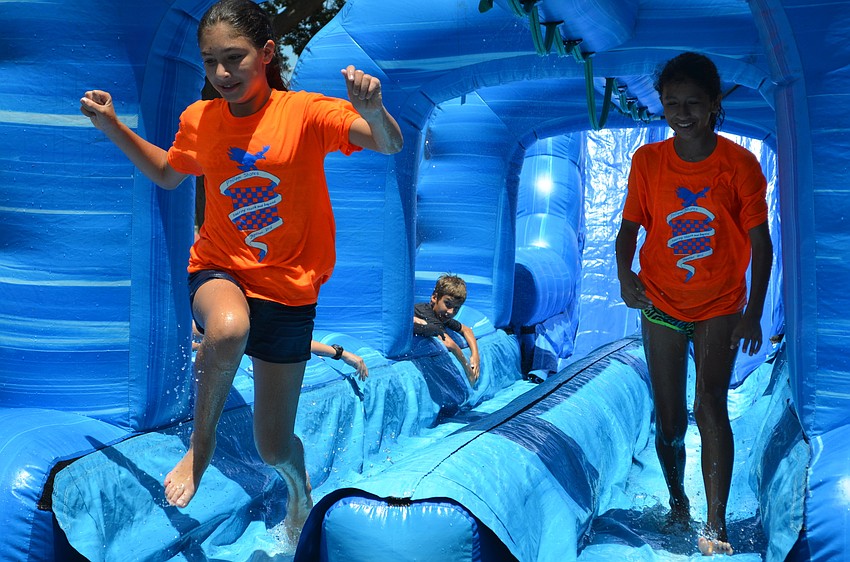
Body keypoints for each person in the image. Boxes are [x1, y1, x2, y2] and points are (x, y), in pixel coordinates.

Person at [80, 0, 402, 544]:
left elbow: (388, 142)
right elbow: (166, 171)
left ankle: (298, 490)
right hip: (219, 269)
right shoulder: (200, 119)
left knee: (272, 447)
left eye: (236, 58)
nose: (223, 75)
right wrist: (112, 125)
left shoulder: (304, 112)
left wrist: (372, 111)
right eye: (212, 62)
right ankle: (198, 450)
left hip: (291, 291)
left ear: (267, 52)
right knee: (227, 327)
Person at [615, 52, 772, 557]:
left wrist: (753, 311)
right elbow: (628, 231)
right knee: (669, 421)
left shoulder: (739, 165)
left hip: (721, 303)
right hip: (660, 299)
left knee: (710, 407)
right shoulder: (648, 161)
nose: (681, 113)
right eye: (671, 103)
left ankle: (717, 525)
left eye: (693, 103)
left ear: (714, 104)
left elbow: (761, 243)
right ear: (661, 104)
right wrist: (624, 275)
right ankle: (678, 502)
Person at [413, 274, 481, 386]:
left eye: (456, 308)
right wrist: (468, 371)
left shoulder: (442, 316)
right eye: (447, 304)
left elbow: (467, 330)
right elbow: (449, 344)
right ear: (434, 298)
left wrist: (475, 356)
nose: (451, 312)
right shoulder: (426, 313)